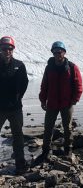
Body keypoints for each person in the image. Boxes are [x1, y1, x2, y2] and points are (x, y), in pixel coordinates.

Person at [37, 41, 83, 162]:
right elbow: (44, 85)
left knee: (67, 128)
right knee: (48, 128)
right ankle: (45, 151)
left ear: (64, 52)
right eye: (55, 52)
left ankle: (68, 150)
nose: (57, 54)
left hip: (66, 103)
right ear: (52, 53)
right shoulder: (49, 67)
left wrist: (74, 100)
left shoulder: (72, 67)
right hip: (52, 103)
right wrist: (42, 99)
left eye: (60, 52)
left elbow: (78, 85)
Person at [0, 36, 29, 174]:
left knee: (18, 136)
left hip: (16, 108)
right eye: (5, 49)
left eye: (10, 49)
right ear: (0, 49)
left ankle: (20, 164)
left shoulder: (19, 65)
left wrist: (19, 97)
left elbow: (25, 83)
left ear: (13, 50)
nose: (7, 51)